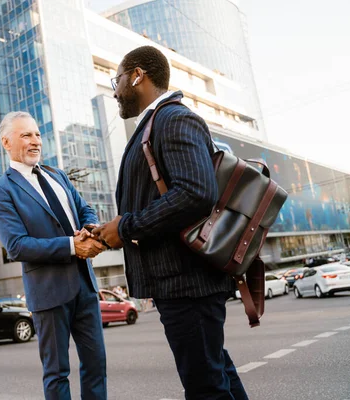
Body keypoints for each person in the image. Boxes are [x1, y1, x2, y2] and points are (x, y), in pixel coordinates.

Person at [93, 46, 247, 400]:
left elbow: (195, 192)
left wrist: (128, 226)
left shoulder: (173, 118)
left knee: (205, 386)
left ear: (137, 76)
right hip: (181, 281)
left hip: (187, 282)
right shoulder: (154, 123)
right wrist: (112, 230)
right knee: (215, 373)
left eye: (116, 80)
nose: (115, 91)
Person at [0, 111, 108, 399]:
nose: (35, 141)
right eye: (26, 135)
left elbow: (85, 210)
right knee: (57, 373)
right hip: (49, 292)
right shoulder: (1, 190)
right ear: (6, 142)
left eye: (38, 134)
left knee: (96, 364)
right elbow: (17, 245)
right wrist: (71, 245)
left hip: (85, 285)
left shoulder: (57, 174)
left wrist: (89, 229)